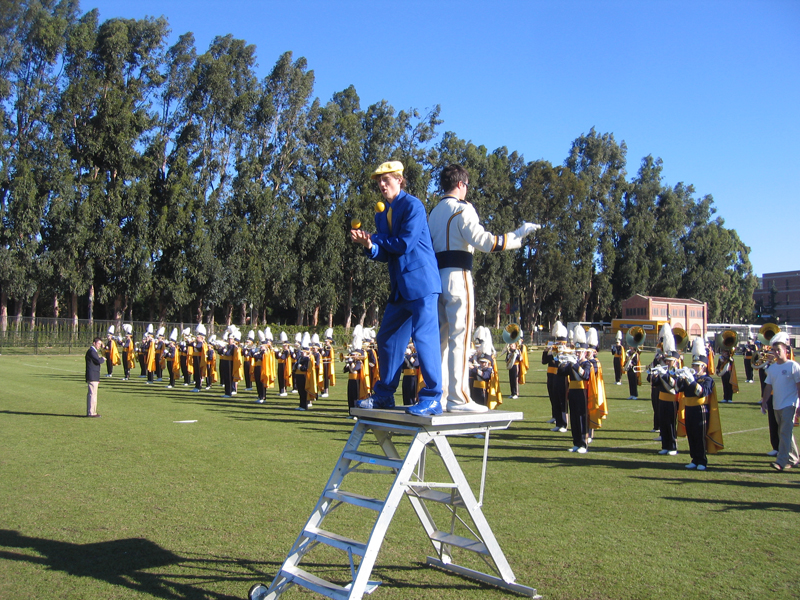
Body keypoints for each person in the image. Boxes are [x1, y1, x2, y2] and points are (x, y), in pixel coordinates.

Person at [427, 163, 539, 412]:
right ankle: (458, 397)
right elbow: (484, 242)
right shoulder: (463, 209)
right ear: (460, 184)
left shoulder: (433, 213)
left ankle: (442, 395)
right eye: (466, 185)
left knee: (442, 340)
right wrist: (516, 237)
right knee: (461, 337)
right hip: (458, 276)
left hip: (436, 278)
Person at [351, 160, 443, 416]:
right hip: (401, 287)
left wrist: (375, 238)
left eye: (386, 179)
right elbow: (386, 254)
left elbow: (403, 244)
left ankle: (434, 398)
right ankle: (384, 396)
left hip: (422, 283)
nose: (381, 184)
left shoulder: (414, 205)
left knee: (423, 337)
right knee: (387, 338)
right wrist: (369, 246)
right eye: (379, 181)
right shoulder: (381, 214)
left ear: (399, 180)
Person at [676, 339, 723, 470]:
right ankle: (694, 458)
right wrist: (680, 378)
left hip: (701, 410)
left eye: (697, 366)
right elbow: (677, 389)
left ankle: (702, 460)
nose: (694, 368)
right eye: (694, 365)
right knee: (691, 435)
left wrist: (691, 381)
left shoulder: (707, 380)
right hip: (689, 408)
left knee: (699, 436)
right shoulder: (691, 377)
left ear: (703, 366)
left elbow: (701, 392)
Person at [759, 332, 800, 471]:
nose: (776, 352)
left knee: (784, 432)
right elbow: (768, 386)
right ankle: (794, 458)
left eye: (779, 350)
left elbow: (799, 386)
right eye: (774, 350)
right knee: (785, 432)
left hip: (790, 404)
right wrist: (764, 402)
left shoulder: (793, 366)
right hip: (777, 405)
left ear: (786, 351)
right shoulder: (772, 368)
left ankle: (781, 461)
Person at [85, 337, 106, 417]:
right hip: (92, 376)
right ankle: (91, 412)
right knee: (92, 394)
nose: (99, 346)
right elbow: (98, 361)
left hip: (94, 375)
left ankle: (93, 411)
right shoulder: (91, 351)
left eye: (100, 344)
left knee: (93, 394)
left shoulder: (93, 351)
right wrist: (102, 359)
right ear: (94, 343)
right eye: (98, 344)